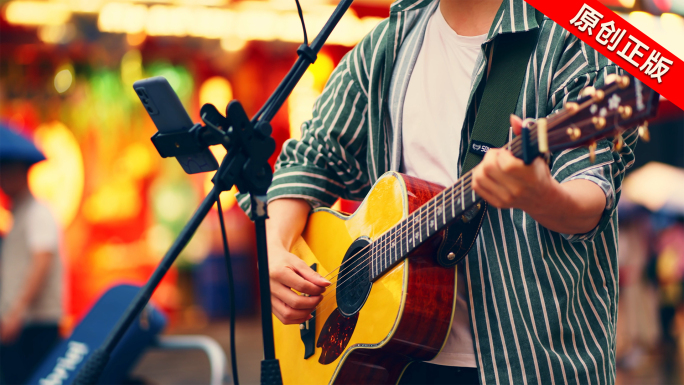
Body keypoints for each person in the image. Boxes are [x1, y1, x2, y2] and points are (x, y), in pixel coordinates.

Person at [239, 0, 634, 383]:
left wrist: (540, 195)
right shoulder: (390, 43)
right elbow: (310, 156)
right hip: (391, 361)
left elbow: (589, 197)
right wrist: (275, 245)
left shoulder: (578, 37)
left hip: (529, 362)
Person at [0, 126, 63, 384]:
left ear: (17, 172)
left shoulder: (38, 212)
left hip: (35, 325)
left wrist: (17, 312)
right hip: (22, 323)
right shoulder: (19, 215)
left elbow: (42, 261)